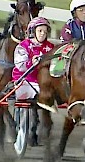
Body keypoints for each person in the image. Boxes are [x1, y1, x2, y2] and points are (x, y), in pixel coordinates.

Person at [12, 17, 55, 146]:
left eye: (45, 31)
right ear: (32, 31)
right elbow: (21, 65)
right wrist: (32, 62)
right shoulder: (23, 46)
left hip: (42, 83)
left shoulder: (51, 47)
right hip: (24, 80)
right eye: (40, 30)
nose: (43, 33)